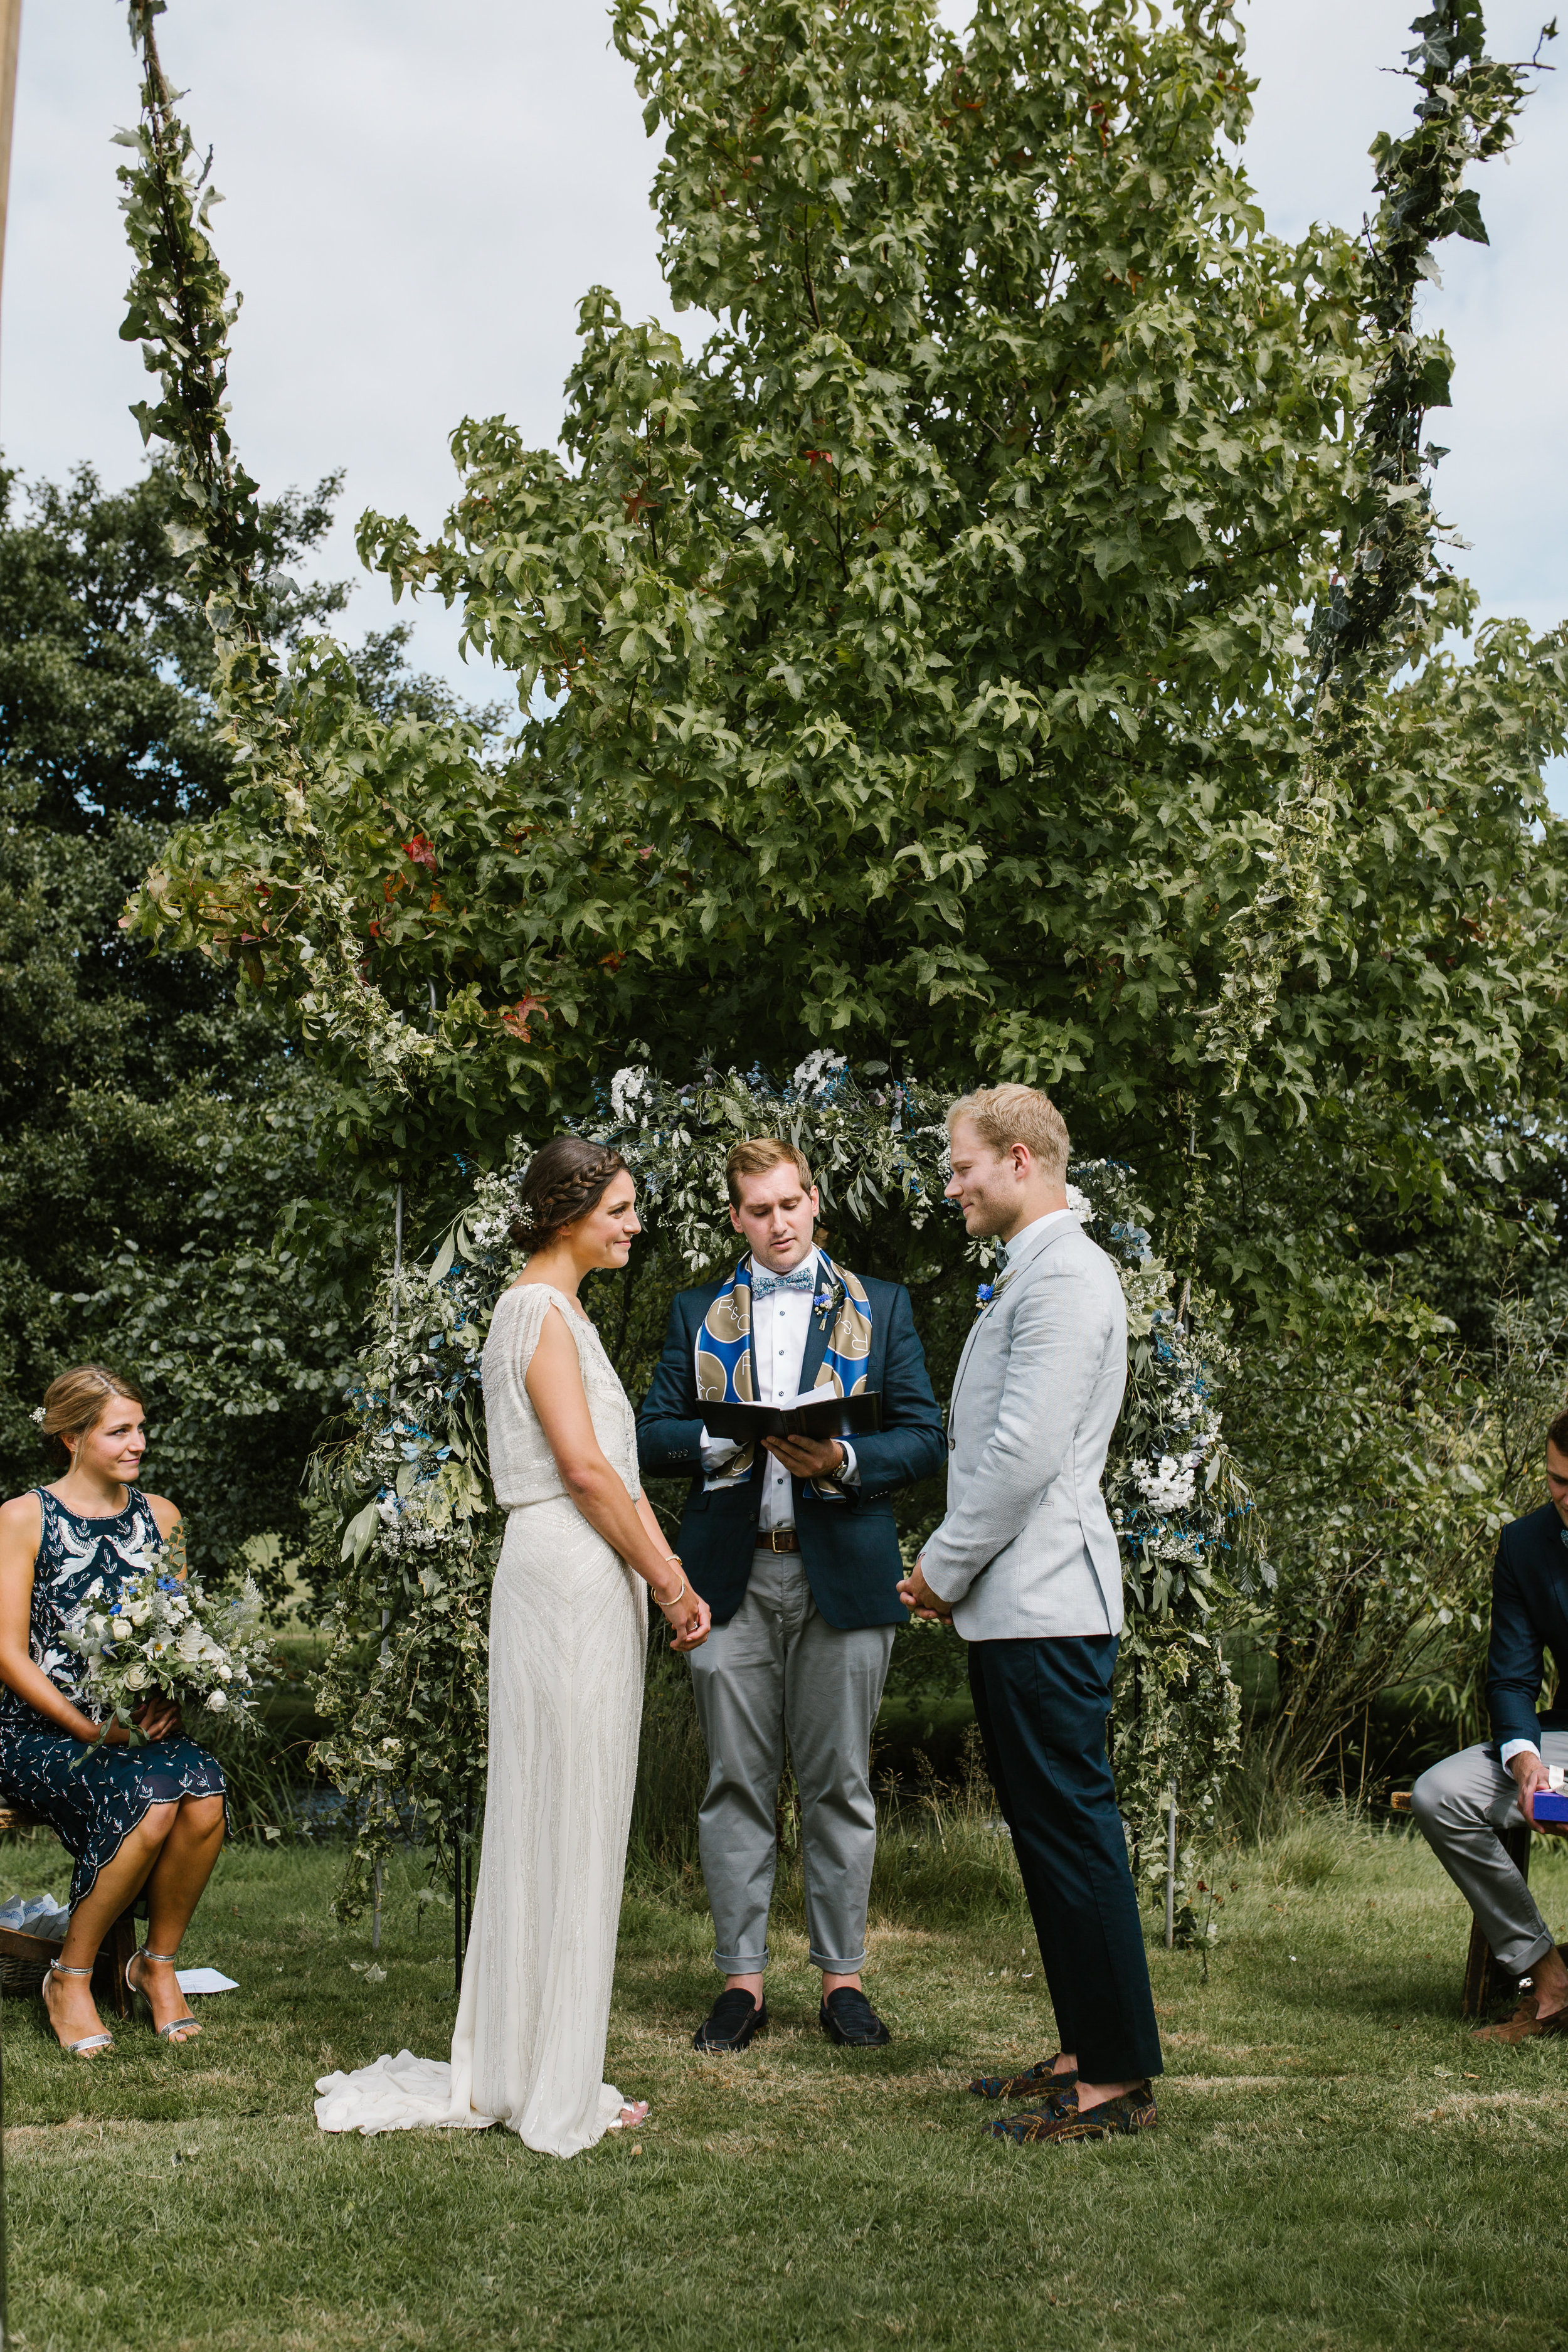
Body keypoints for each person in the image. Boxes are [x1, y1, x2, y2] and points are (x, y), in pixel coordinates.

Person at [315, 1140, 711, 2156]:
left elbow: (619, 1478)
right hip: (565, 1572)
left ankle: (545, 2060)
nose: (633, 1226)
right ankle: (546, 2084)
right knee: (562, 1809)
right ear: (569, 1210)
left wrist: (671, 1577)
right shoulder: (532, 1311)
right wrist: (663, 1578)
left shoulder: (559, 1311)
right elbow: (582, 1472)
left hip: (592, 1568)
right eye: (619, 1209)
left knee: (575, 1807)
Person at [638, 1136, 946, 2052]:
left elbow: (927, 1437)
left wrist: (846, 1456)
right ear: (736, 1216)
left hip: (842, 1572)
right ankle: (742, 1983)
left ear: (815, 1200)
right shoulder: (698, 1310)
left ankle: (842, 1980)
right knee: (734, 1779)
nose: (777, 1222)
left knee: (839, 1782)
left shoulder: (880, 1306)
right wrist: (713, 1441)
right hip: (729, 1574)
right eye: (758, 1209)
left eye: (790, 1203)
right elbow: (650, 1432)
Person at [898, 1083, 1162, 2144]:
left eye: (961, 1166)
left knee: (1073, 1836)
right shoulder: (1037, 1272)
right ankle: (1081, 2045)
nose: (951, 1185)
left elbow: (1017, 1459)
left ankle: (1115, 2078)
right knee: (1049, 1835)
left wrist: (940, 1571)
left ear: (1018, 1160)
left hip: (1045, 1603)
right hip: (1025, 1607)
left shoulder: (1065, 1279)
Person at [0, 1365, 227, 2056]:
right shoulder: (22, 1518)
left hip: (134, 1731)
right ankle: (69, 1977)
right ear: (71, 1437)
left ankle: (154, 1965)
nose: (139, 1443)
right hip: (37, 1734)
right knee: (154, 1794)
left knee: (205, 1786)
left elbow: (179, 1630)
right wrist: (91, 1727)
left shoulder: (162, 1518)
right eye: (119, 1431)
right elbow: (9, 1655)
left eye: (141, 1428)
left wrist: (171, 1696)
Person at [1411, 1412, 1568, 2043]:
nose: (1566, 1498)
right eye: (1558, 1481)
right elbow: (1509, 1678)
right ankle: (1547, 1977)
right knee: (1439, 1794)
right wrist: (1528, 1766)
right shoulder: (1524, 1545)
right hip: (1562, 1741)